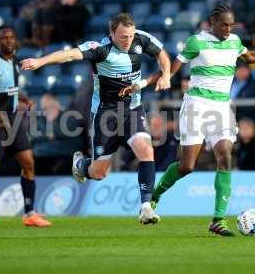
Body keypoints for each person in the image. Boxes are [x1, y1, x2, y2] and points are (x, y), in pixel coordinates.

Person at [148, 4, 255, 236]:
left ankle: (218, 219)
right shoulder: (196, 42)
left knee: (225, 154)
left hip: (222, 106)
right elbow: (173, 68)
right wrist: (163, 78)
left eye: (231, 24)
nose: (228, 28)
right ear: (212, 22)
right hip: (196, 105)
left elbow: (251, 57)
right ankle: (154, 195)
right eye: (224, 24)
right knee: (187, 167)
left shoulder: (235, 41)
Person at [21, 13, 171, 224]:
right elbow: (69, 55)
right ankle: (82, 165)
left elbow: (162, 54)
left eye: (129, 36)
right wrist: (40, 61)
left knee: (146, 149)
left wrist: (165, 74)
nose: (127, 41)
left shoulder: (141, 38)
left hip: (133, 110)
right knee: (99, 172)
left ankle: (146, 206)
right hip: (105, 116)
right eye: (121, 37)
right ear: (111, 34)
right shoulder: (100, 49)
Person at [0, 25, 51, 229]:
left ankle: (30, 213)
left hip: (14, 122)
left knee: (28, 162)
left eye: (11, 37)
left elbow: (11, 90)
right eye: (4, 38)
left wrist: (24, 99)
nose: (8, 40)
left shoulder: (15, 62)